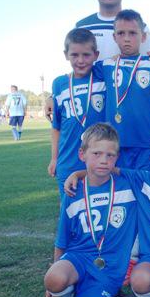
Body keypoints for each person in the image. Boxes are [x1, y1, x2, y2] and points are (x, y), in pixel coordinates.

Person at [43, 123, 137, 297]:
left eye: (110, 155)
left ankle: (99, 293)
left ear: (117, 157)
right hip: (78, 257)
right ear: (82, 154)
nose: (104, 160)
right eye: (96, 153)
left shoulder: (129, 186)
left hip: (108, 266)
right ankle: (67, 296)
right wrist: (54, 278)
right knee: (53, 278)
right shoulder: (73, 191)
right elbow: (62, 239)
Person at [45, 0, 150, 122]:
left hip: (127, 107)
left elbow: (146, 67)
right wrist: (53, 95)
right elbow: (77, 66)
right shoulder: (82, 26)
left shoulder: (140, 27)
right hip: (92, 106)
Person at [99, 9, 150, 170]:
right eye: (121, 33)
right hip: (115, 145)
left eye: (133, 33)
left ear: (143, 37)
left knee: (147, 186)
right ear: (114, 37)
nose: (126, 38)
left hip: (148, 144)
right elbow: (80, 73)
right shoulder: (107, 65)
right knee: (119, 186)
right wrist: (52, 96)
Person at [48, 28, 106, 197]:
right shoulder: (59, 83)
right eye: (74, 55)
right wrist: (54, 158)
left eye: (86, 55)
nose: (80, 60)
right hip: (68, 161)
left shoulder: (103, 75)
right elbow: (56, 127)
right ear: (66, 55)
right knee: (69, 208)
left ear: (96, 55)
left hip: (99, 162)